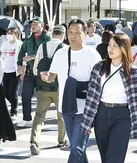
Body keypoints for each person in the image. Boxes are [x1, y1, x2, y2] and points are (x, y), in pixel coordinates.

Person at [81, 33, 137, 163]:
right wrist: (87, 122)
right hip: (102, 113)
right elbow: (91, 97)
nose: (110, 48)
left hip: (122, 115)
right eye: (109, 45)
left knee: (115, 158)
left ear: (123, 48)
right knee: (105, 157)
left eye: (115, 45)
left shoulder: (132, 71)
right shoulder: (99, 67)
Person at [41, 19, 102, 163]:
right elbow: (52, 77)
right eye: (70, 32)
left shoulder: (92, 55)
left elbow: (100, 83)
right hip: (66, 106)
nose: (73, 36)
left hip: (86, 110)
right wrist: (46, 77)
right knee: (78, 148)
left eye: (77, 33)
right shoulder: (61, 53)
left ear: (86, 33)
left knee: (76, 148)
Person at [30, 25, 68, 155]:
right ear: (63, 35)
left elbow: (35, 69)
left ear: (52, 34)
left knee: (39, 116)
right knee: (61, 115)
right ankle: (61, 140)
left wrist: (43, 77)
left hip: (43, 86)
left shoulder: (42, 46)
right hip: (59, 88)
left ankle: (34, 142)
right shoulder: (65, 48)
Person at [17, 17, 51, 128]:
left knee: (42, 97)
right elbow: (21, 52)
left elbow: (48, 55)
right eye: (32, 24)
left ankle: (40, 119)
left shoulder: (47, 39)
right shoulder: (28, 39)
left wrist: (32, 57)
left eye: (36, 24)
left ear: (42, 26)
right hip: (29, 72)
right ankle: (27, 118)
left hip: (42, 71)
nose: (33, 26)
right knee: (25, 95)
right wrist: (19, 65)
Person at [0, 27, 23, 120]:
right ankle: (15, 103)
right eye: (8, 33)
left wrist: (22, 71)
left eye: (11, 33)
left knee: (12, 92)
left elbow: (22, 57)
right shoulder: (4, 44)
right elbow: (0, 56)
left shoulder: (20, 44)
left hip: (15, 71)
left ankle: (14, 111)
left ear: (16, 34)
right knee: (5, 92)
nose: (9, 35)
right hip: (5, 71)